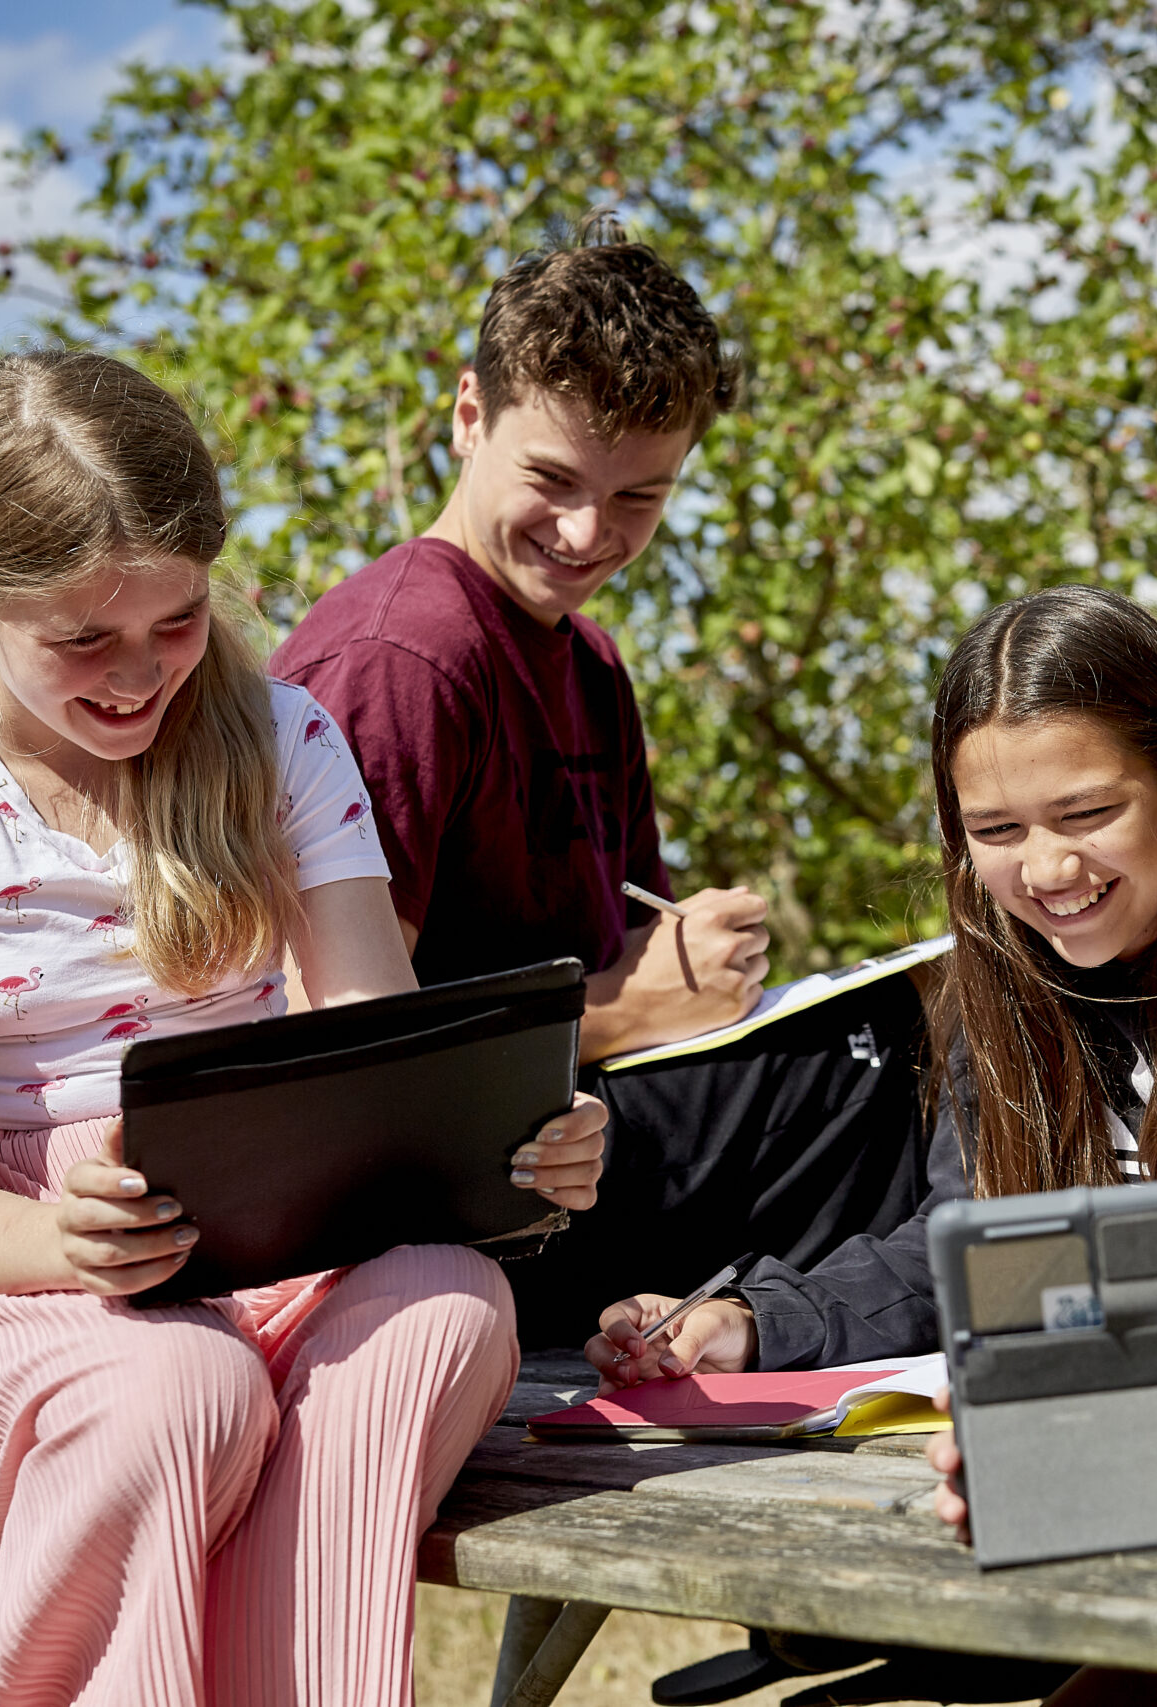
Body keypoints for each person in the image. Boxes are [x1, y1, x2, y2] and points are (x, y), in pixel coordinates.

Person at [0, 348, 606, 1707]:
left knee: (446, 1304)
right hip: (34, 1263)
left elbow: (378, 1051)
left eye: (174, 622)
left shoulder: (282, 736)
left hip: (282, 1218)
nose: (139, 676)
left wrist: (519, 1143)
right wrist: (66, 1235)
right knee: (184, 1390)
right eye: (83, 639)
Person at [270, 223, 927, 1348]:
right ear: (469, 414)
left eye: (640, 499)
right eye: (553, 480)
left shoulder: (590, 662)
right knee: (864, 1073)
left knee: (889, 1027)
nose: (587, 533)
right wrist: (625, 1011)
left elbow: (629, 960)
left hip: (567, 1142)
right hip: (425, 1220)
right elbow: (324, 1069)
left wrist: (694, 975)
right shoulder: (401, 660)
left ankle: (758, 1351)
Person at [586, 582, 1157, 1384]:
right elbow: (974, 1246)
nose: (1048, 869)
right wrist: (753, 1322)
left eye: (1088, 813)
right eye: (997, 830)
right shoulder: (1003, 969)